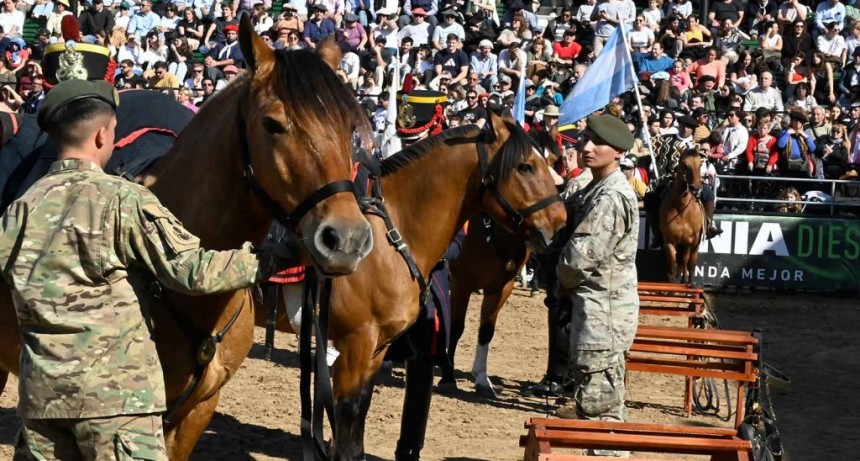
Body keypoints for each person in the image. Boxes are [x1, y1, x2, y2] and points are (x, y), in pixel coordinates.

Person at [0, 79, 299, 461]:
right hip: (117, 406)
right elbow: (193, 272)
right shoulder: (124, 200)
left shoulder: (22, 208)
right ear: (102, 136)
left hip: (44, 401)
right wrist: (276, 258)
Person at [554, 114, 639, 460]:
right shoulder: (595, 188)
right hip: (596, 314)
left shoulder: (610, 197)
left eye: (596, 143)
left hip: (602, 318)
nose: (586, 147)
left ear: (618, 152)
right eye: (585, 139)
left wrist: (558, 278)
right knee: (593, 404)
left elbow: (578, 261)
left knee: (602, 418)